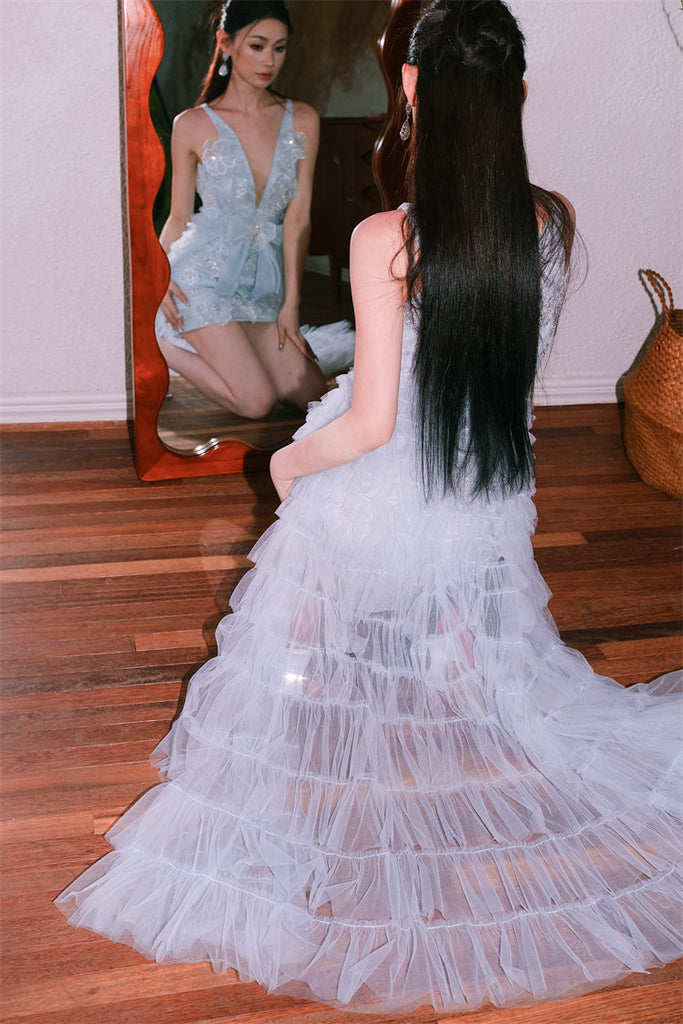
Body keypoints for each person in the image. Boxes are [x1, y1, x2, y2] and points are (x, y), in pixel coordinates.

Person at [56, 0, 681, 1014]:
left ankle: (307, 681)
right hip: (487, 497)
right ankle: (439, 642)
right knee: (341, 477)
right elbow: (496, 392)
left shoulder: (388, 236)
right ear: (515, 93)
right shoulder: (547, 222)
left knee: (307, 507)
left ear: (411, 86)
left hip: (399, 495)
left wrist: (286, 469)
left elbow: (373, 425)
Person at [154, 0, 328, 418]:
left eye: (280, 48)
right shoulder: (191, 124)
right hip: (202, 279)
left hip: (263, 286)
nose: (270, 61)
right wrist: (155, 281)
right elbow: (178, 217)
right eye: (257, 46)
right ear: (226, 43)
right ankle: (157, 344)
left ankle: (237, 347)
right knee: (257, 401)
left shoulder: (303, 119)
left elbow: (298, 220)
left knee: (313, 395)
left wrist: (291, 305)